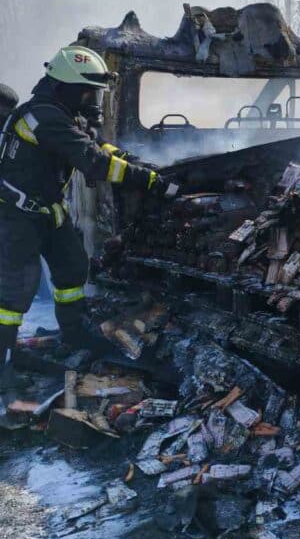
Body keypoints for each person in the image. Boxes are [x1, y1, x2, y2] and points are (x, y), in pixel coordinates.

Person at [0, 45, 178, 381]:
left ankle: (74, 333)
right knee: (16, 289)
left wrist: (133, 160)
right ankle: (3, 360)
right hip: (17, 215)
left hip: (48, 212)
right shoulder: (44, 118)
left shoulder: (63, 113)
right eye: (87, 92)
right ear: (66, 87)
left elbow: (96, 145)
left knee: (72, 267)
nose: (92, 99)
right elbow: (94, 162)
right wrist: (148, 180)